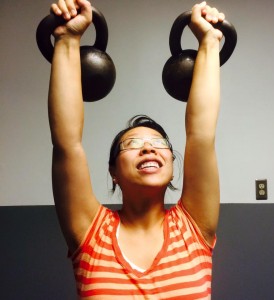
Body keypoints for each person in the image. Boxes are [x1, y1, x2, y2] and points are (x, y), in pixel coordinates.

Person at [48, 0, 223, 298]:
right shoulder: (91, 233)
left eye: (159, 144)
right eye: (132, 144)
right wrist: (66, 39)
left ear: (171, 166)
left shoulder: (192, 227)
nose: (148, 149)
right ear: (113, 172)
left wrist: (208, 42)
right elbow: (66, 143)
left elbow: (201, 136)